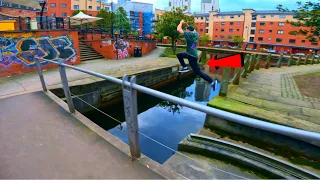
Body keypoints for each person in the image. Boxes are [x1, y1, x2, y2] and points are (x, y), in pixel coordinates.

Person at [176, 20, 217, 90]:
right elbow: (191, 29)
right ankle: (185, 67)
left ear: (188, 30)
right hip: (191, 53)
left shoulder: (189, 34)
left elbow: (178, 29)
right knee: (179, 55)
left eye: (186, 30)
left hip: (192, 56)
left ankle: (212, 81)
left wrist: (181, 23)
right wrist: (187, 25)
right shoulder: (196, 33)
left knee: (198, 71)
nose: (186, 30)